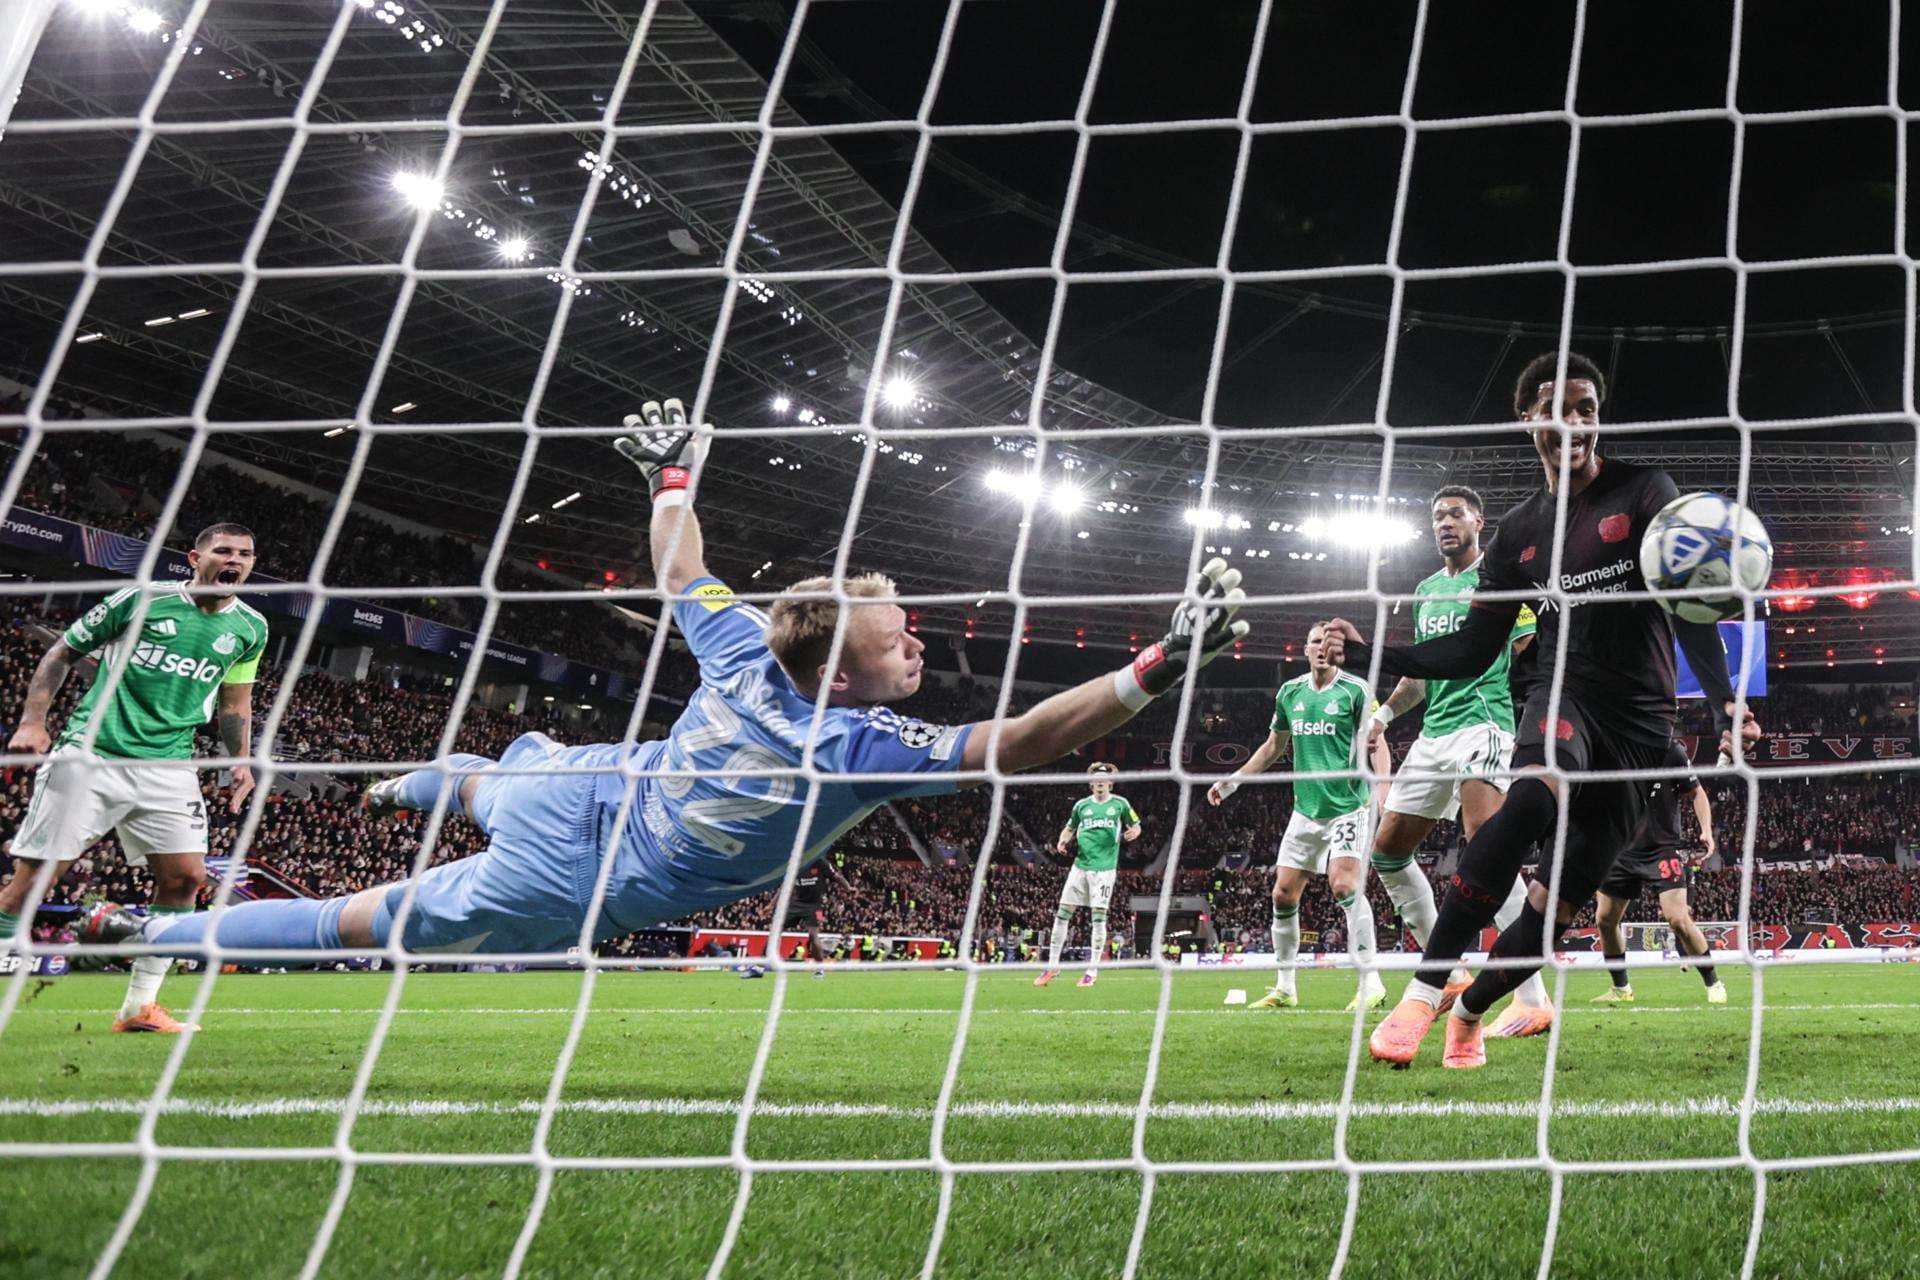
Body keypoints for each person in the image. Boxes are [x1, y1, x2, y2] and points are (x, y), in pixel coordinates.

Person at [90, 399, 1250, 1002]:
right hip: (584, 876)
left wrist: (677, 475)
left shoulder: (745, 648)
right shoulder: (856, 744)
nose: (918, 651)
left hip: (599, 780)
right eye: (900, 643)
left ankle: (440, 774)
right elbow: (1029, 735)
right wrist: (1153, 669)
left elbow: (676, 561)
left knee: (520, 769)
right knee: (360, 922)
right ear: (841, 669)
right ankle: (143, 935)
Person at [1323, 351, 1760, 1069]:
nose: (1574, 423)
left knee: (1553, 910)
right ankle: (1426, 987)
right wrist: (1379, 657)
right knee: (1528, 800)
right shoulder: (1519, 533)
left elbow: (1693, 609)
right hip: (1563, 696)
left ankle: (1469, 1013)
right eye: (1558, 409)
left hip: (1643, 726)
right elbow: (1470, 650)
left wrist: (1725, 702)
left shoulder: (1646, 492)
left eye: (1587, 409)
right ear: (1527, 419)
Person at [0, 524, 266, 1034]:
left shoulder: (250, 627)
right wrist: (33, 721)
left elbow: (236, 704)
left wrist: (241, 760)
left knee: (186, 879)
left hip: (170, 766)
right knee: (34, 882)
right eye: (224, 550)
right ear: (195, 557)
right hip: (92, 755)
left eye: (246, 554)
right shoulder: (142, 599)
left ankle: (138, 1007)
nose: (236, 560)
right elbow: (61, 652)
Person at [1366, 485, 1556, 1037]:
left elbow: (1531, 652)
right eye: (1436, 516)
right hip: (1432, 736)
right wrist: (1381, 716)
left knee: (1486, 845)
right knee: (1388, 851)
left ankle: (1531, 996)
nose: (1444, 523)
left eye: (1455, 514)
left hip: (1485, 724)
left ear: (1479, 522)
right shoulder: (1426, 590)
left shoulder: (1499, 583)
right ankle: (1445, 971)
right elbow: (1420, 675)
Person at [1207, 623, 1395, 1012]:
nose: (1322, 649)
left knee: (1344, 886)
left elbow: (1378, 742)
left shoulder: (1357, 691)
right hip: (1305, 810)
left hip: (1349, 806)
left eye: (1329, 643)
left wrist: (1383, 790)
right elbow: (1273, 746)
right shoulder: (1289, 693)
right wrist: (1232, 782)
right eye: (1315, 642)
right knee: (1282, 893)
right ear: (1304, 650)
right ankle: (1285, 988)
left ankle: (1371, 983)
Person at [1591, 739, 1727, 1005]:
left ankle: (1714, 982)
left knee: (1678, 919)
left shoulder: (1669, 750)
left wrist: (1707, 830)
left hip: (1660, 849)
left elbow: (1697, 792)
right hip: (1620, 849)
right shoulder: (1611, 746)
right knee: (1605, 920)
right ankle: (1621, 988)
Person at [1036, 761, 1141, 988]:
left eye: (1104, 780)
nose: (1100, 783)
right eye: (1096, 780)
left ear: (1110, 783)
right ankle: (1052, 966)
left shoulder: (1120, 804)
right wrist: (1063, 839)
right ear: (1091, 784)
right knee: (1062, 915)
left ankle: (1091, 971)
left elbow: (1136, 824)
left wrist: (1134, 831)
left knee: (1098, 919)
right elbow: (1070, 828)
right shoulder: (1081, 806)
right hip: (1080, 867)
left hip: (1103, 870)